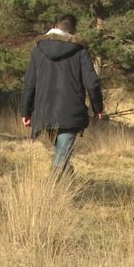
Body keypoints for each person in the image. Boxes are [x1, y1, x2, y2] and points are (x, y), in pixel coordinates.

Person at [20, 14, 103, 179]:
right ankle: (52, 191)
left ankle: (67, 183)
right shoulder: (80, 51)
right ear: (73, 31)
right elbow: (92, 83)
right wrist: (98, 107)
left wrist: (26, 111)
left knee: (61, 153)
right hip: (70, 113)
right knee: (61, 157)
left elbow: (29, 83)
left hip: (44, 112)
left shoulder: (38, 50)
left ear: (55, 26)